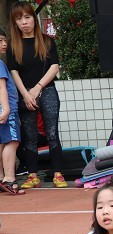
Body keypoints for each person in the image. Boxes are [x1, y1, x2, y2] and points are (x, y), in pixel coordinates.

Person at [7, 2, 65, 189]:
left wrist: (37, 88)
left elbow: (54, 67)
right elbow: (14, 72)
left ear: (34, 18)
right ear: (15, 23)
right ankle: (32, 175)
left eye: (27, 17)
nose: (24, 22)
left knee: (52, 133)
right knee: (29, 135)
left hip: (47, 90)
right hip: (24, 94)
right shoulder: (13, 45)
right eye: (19, 19)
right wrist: (26, 94)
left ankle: (58, 174)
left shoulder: (47, 41)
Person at [0, 27, 24, 196]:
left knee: (2, 142)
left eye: (4, 40)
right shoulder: (0, 64)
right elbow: (2, 88)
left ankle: (1, 177)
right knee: (12, 141)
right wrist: (7, 108)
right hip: (6, 109)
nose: (4, 44)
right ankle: (9, 179)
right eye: (0, 41)